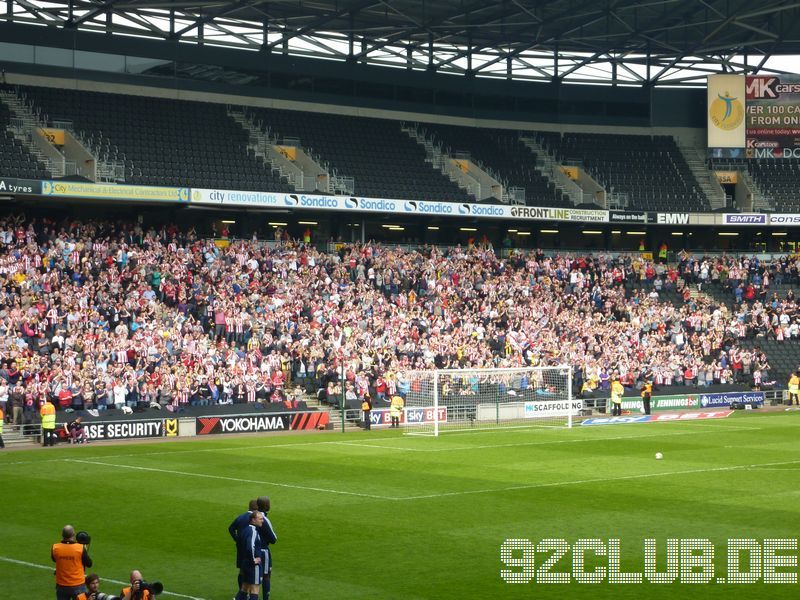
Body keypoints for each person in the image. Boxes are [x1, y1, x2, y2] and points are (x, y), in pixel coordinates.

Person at [52, 524, 93, 600]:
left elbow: (55, 559)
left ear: (62, 535)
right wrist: (84, 550)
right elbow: (89, 564)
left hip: (61, 584)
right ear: (73, 534)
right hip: (78, 584)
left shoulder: (55, 547)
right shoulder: (80, 548)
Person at [236, 510, 265, 600]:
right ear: (253, 520)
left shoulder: (245, 530)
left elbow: (240, 544)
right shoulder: (253, 531)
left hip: (245, 563)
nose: (262, 521)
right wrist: (253, 560)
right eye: (260, 519)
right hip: (253, 565)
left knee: (244, 588)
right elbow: (250, 547)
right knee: (255, 589)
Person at [255, 496, 277, 600]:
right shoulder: (264, 519)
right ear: (266, 506)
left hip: (251, 550)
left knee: (251, 575)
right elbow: (273, 539)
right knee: (266, 575)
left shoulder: (250, 516)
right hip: (263, 551)